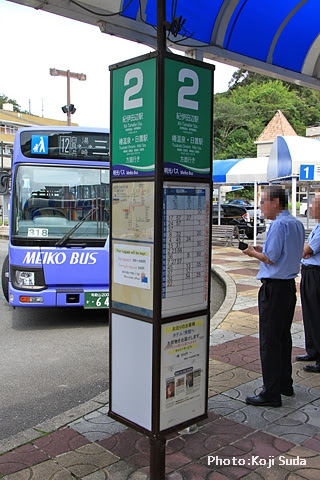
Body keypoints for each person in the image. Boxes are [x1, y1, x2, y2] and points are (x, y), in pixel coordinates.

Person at [242, 186, 305, 407]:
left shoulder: (278, 224)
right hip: (288, 287)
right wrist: (262, 249)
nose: (261, 208)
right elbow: (285, 252)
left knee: (269, 340)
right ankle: (284, 384)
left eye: (263, 202)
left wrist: (252, 252)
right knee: (283, 337)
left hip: (274, 289)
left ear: (276, 202)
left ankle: (270, 392)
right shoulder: (296, 223)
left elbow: (271, 259)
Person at [299, 193, 320, 373]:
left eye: (314, 205)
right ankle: (312, 350)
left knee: (316, 314)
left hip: (316, 274)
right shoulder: (317, 226)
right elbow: (305, 251)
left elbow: (307, 249)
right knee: (308, 313)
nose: (311, 208)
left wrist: (305, 251)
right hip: (308, 272)